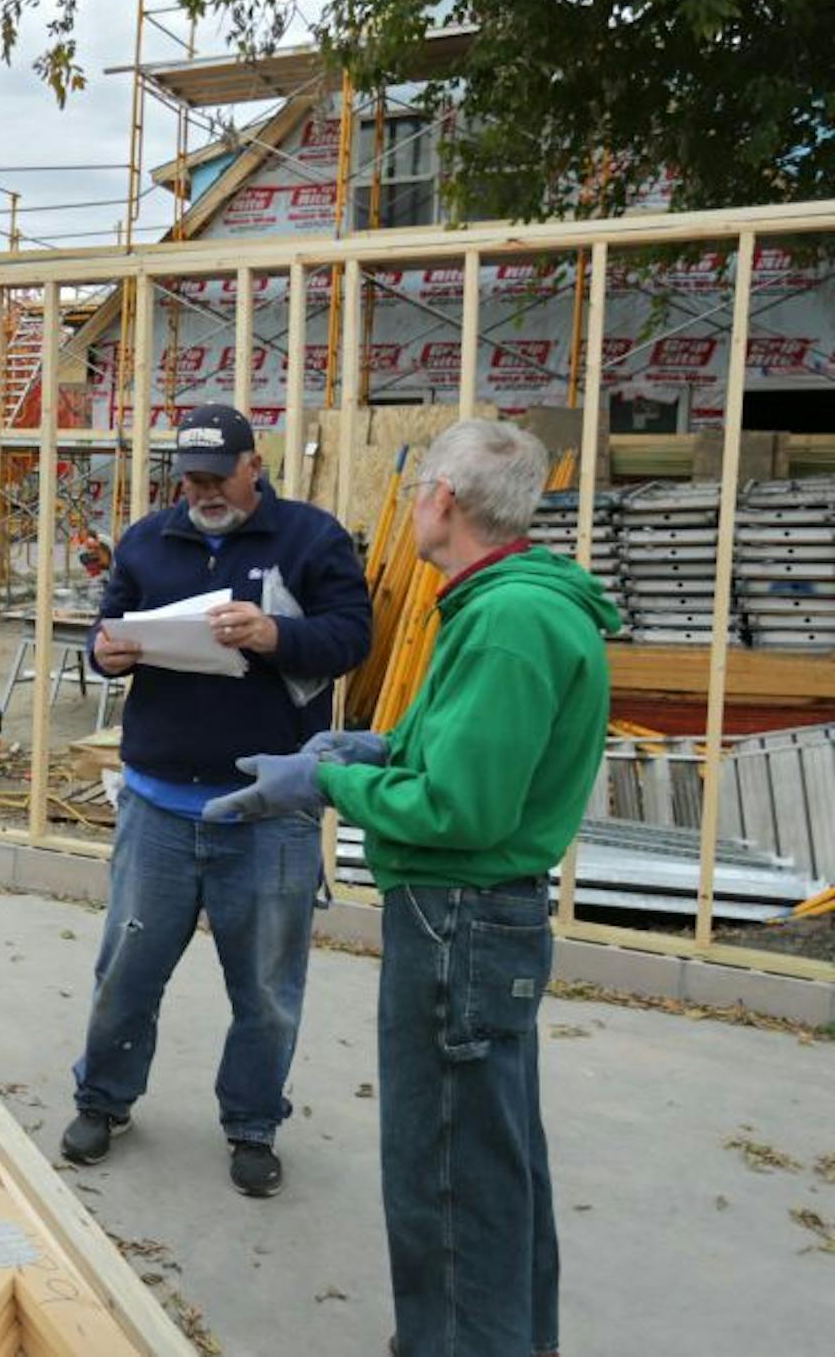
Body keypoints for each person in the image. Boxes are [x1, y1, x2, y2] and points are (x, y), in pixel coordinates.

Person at [204, 420, 614, 1357]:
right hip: (471, 921)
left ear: (443, 502)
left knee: (448, 1170)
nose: (416, 498)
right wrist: (378, 748)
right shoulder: (501, 604)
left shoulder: (511, 622)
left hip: (459, 924)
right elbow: (471, 760)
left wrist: (331, 781)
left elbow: (460, 809)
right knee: (488, 1159)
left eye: (422, 484)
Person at [61, 402, 372, 1198]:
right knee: (127, 968)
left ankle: (253, 1122)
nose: (200, 492)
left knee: (266, 985)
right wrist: (110, 652)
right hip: (158, 806)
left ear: (252, 465)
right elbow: (107, 633)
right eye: (188, 478)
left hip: (267, 809)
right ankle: (103, 1099)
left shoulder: (310, 539)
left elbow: (351, 638)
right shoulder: (147, 542)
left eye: (215, 476)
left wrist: (274, 636)